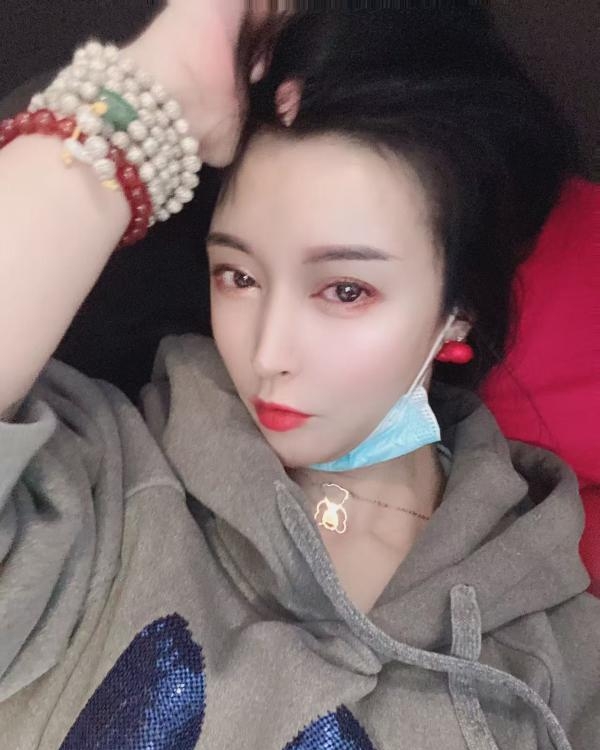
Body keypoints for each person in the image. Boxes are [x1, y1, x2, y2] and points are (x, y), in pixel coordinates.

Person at [0, 3, 598, 749]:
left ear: (458, 312)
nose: (268, 351)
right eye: (238, 276)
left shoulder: (561, 655)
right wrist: (160, 84)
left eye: (345, 290)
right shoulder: (97, 493)